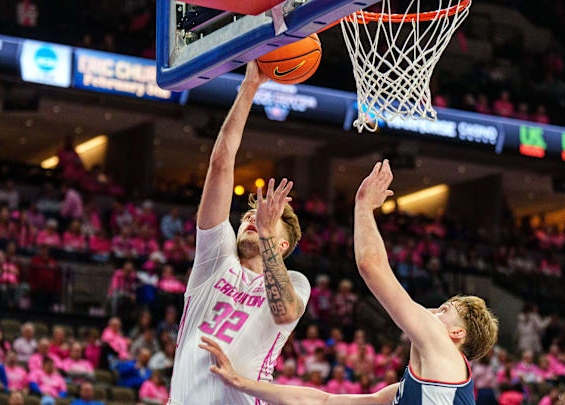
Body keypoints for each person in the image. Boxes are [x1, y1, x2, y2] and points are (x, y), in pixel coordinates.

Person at [199, 159, 499, 405]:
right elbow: (324, 402)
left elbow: (371, 266)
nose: (433, 310)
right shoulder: (408, 390)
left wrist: (364, 207)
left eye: (445, 310)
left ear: (456, 333)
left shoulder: (443, 348)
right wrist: (240, 383)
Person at [168, 60, 310, 405]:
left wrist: (264, 234)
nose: (251, 218)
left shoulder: (296, 282)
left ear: (282, 243)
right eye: (248, 215)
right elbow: (221, 164)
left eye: (263, 219)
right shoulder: (217, 258)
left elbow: (285, 313)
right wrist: (250, 87)